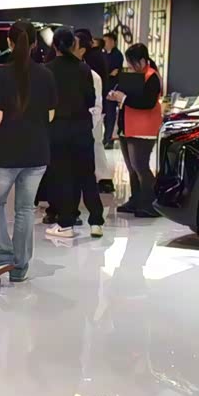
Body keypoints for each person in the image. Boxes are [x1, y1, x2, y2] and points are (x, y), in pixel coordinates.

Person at [0, 21, 57, 282]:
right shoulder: (46, 74)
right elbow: (51, 114)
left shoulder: (0, 74)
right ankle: (20, 266)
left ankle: (3, 254)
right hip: (37, 151)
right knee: (25, 209)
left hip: (8, 151)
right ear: (35, 43)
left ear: (9, 42)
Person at [45, 28, 104, 239]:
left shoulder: (48, 70)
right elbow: (90, 99)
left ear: (54, 45)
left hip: (58, 128)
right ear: (73, 45)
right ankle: (96, 222)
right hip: (81, 127)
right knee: (87, 174)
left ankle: (66, 224)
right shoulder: (84, 68)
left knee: (63, 177)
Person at [108, 43, 164, 218]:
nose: (130, 66)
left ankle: (151, 203)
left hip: (143, 128)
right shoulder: (135, 76)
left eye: (133, 62)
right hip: (128, 127)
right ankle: (136, 199)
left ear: (142, 60)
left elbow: (147, 102)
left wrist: (124, 98)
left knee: (140, 166)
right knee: (132, 167)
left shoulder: (152, 77)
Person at [76, 28, 112, 195]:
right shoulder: (98, 56)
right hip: (96, 109)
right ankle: (102, 179)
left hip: (91, 112)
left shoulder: (90, 63)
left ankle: (100, 179)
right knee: (96, 144)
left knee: (95, 144)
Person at [101, 31, 124, 147]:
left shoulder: (117, 55)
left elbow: (114, 72)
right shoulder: (103, 54)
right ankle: (106, 137)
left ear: (112, 42)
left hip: (113, 88)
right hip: (104, 87)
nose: (105, 43)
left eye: (106, 41)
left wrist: (107, 74)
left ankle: (109, 138)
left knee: (110, 114)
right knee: (105, 114)